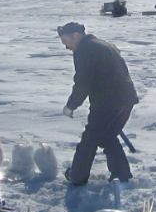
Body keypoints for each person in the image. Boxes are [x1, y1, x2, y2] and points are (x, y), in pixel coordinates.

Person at [57, 22, 138, 185]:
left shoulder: (85, 50)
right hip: (126, 99)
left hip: (108, 102)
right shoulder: (103, 44)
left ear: (77, 35)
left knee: (90, 138)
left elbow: (82, 83)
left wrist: (70, 106)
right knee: (107, 136)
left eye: (67, 42)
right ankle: (122, 174)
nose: (67, 47)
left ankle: (77, 176)